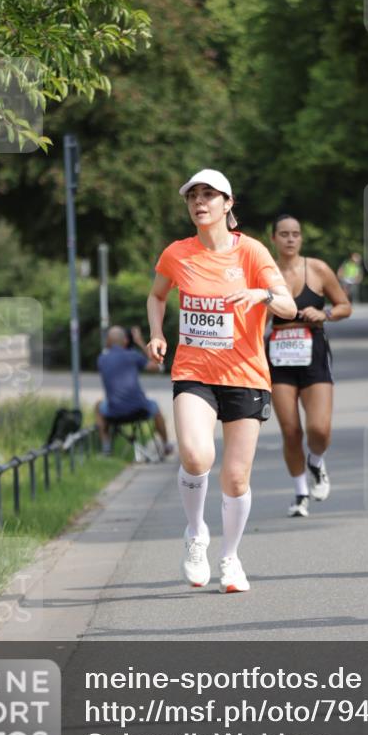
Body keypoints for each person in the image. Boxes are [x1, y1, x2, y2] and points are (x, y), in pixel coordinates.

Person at [147, 169, 296, 593]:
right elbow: (157, 295)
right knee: (195, 456)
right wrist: (157, 333)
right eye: (193, 196)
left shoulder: (250, 252)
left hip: (245, 374)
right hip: (194, 371)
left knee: (235, 478)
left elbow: (286, 304)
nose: (199, 202)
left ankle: (230, 558)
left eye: (209, 195)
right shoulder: (177, 254)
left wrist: (260, 295)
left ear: (227, 204)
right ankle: (196, 533)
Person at [269, 215, 352, 517]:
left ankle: (316, 461)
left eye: (296, 234)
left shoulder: (317, 269)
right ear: (273, 239)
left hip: (313, 349)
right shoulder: (265, 273)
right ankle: (300, 492)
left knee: (319, 428)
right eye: (284, 234)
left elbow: (345, 306)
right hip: (278, 353)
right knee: (290, 431)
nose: (291, 239)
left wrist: (325, 314)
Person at [95, 325, 173, 457]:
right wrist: (139, 341)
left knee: (98, 406)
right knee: (156, 407)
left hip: (114, 411)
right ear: (125, 341)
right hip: (139, 409)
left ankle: (106, 448)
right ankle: (166, 445)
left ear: (108, 341)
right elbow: (158, 367)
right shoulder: (133, 356)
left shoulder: (101, 360)